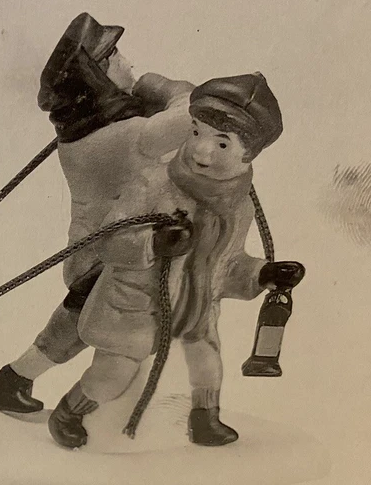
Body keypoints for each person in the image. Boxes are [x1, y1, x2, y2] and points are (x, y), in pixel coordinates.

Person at [47, 73, 305, 448]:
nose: (201, 151)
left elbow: (226, 265)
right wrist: (153, 242)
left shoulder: (239, 206)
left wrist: (262, 274)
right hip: (133, 307)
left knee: (207, 365)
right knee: (111, 376)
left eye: (221, 143)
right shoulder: (153, 184)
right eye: (196, 132)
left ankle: (204, 420)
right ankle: (69, 412)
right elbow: (109, 241)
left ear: (248, 154)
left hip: (193, 306)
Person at [0, 12, 196, 414]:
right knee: (111, 333)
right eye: (117, 58)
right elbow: (192, 115)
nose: (129, 64)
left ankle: (12, 381)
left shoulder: (85, 132)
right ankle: (95, 409)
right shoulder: (125, 137)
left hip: (94, 253)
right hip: (113, 253)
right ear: (96, 78)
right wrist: (161, 86)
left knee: (76, 327)